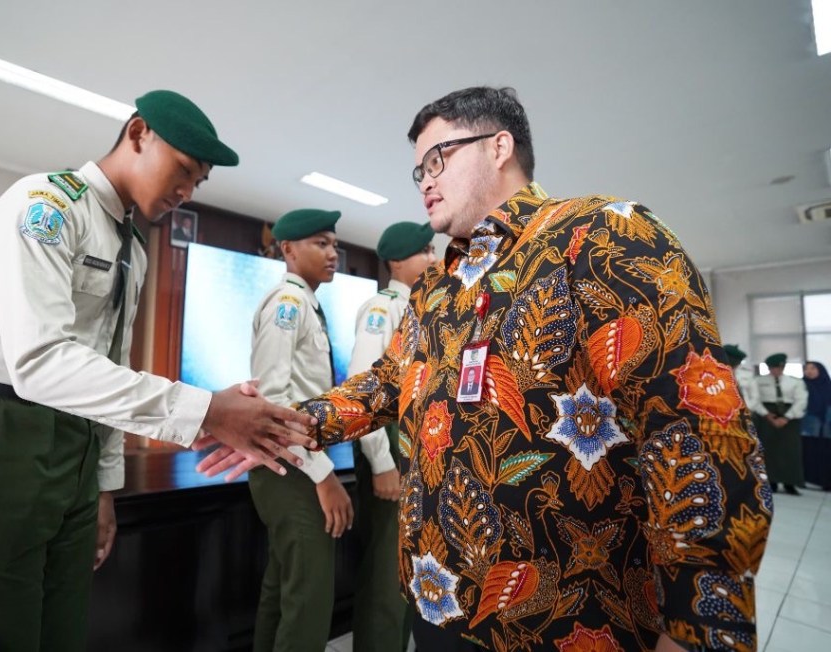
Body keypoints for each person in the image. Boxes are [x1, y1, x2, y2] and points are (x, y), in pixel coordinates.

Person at [199, 86, 771, 651]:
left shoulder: (600, 237)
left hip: (568, 624)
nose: (424, 179)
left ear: (500, 147)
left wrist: (697, 628)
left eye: (437, 158)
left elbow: (697, 431)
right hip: (441, 606)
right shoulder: (436, 292)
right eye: (416, 169)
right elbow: (382, 386)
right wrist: (277, 425)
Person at [0, 90, 317, 652]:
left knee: (60, 629)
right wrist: (206, 410)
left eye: (198, 183)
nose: (186, 192)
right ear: (140, 133)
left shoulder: (133, 250)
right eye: (183, 171)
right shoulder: (46, 206)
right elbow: (39, 361)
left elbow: (107, 369)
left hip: (73, 444)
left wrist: (102, 487)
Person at [248, 208, 353, 652]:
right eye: (320, 244)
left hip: (293, 465)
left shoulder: (306, 302)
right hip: (294, 467)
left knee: (285, 591)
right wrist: (323, 475)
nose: (333, 254)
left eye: (334, 245)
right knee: (308, 600)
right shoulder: (288, 304)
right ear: (288, 249)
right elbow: (274, 402)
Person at [347, 220, 436, 652]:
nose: (435, 259)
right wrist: (382, 464)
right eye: (426, 252)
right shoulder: (383, 308)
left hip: (415, 461)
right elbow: (365, 389)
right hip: (391, 462)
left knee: (405, 581)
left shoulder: (422, 306)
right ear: (398, 261)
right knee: (385, 582)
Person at [753, 353, 808, 495]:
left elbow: (801, 401)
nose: (774, 371)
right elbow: (755, 400)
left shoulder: (795, 382)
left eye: (776, 368)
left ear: (783, 367)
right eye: (771, 368)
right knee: (769, 450)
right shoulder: (758, 381)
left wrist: (786, 418)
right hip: (767, 416)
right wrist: (767, 415)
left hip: (790, 417)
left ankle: (791, 483)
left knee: (790, 451)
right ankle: (772, 482)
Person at [724, 344, 759, 414]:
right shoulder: (715, 373)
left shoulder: (747, 375)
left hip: (745, 411)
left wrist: (746, 409)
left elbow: (755, 397)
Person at [802, 361, 831, 438]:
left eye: (813, 368)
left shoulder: (828, 385)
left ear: (820, 369)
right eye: (806, 369)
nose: (809, 371)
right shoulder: (801, 385)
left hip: (828, 421)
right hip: (808, 421)